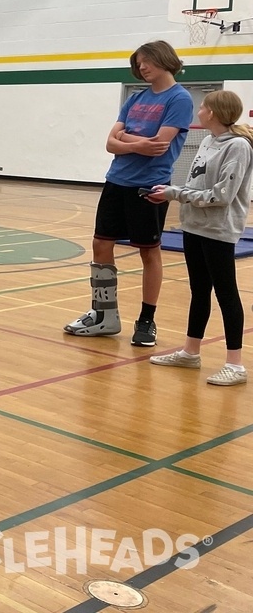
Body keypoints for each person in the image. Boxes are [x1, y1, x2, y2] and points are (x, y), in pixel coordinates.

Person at [64, 40, 193, 346]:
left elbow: (158, 146)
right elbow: (111, 143)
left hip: (149, 185)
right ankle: (104, 314)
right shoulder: (136, 98)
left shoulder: (179, 98)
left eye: (146, 61)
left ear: (163, 59)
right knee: (100, 244)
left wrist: (125, 138)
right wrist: (135, 143)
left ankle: (147, 320)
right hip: (116, 180)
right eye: (138, 63)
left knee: (149, 252)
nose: (142, 67)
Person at [146, 90, 253, 386]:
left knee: (226, 293)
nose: (200, 110)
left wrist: (174, 193)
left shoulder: (239, 147)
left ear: (214, 113)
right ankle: (191, 352)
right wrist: (173, 194)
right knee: (199, 291)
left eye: (204, 106)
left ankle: (235, 364)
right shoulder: (207, 141)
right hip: (193, 227)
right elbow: (197, 182)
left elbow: (222, 196)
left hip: (218, 230)